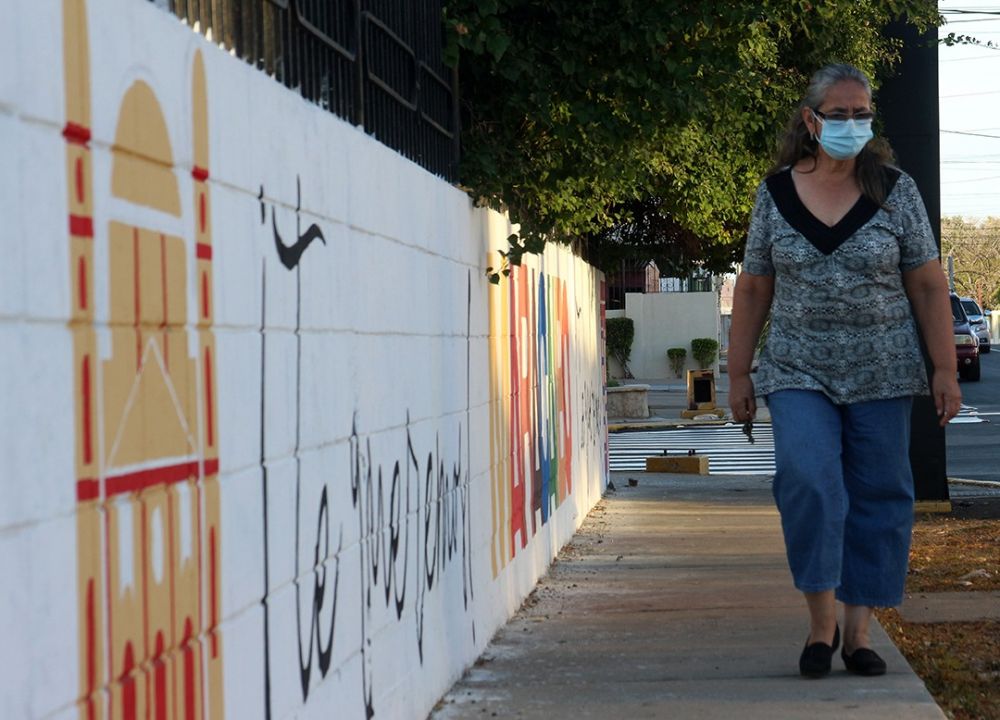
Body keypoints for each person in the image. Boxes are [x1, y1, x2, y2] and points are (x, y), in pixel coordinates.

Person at [727, 63, 961, 679]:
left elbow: (928, 284)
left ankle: (858, 632)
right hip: (797, 367)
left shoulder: (895, 190)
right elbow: (753, 287)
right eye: (840, 114)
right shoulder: (775, 194)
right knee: (807, 480)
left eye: (862, 114)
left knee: (880, 493)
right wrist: (738, 373)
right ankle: (820, 624)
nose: (853, 124)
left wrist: (944, 367)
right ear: (811, 121)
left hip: (884, 369)